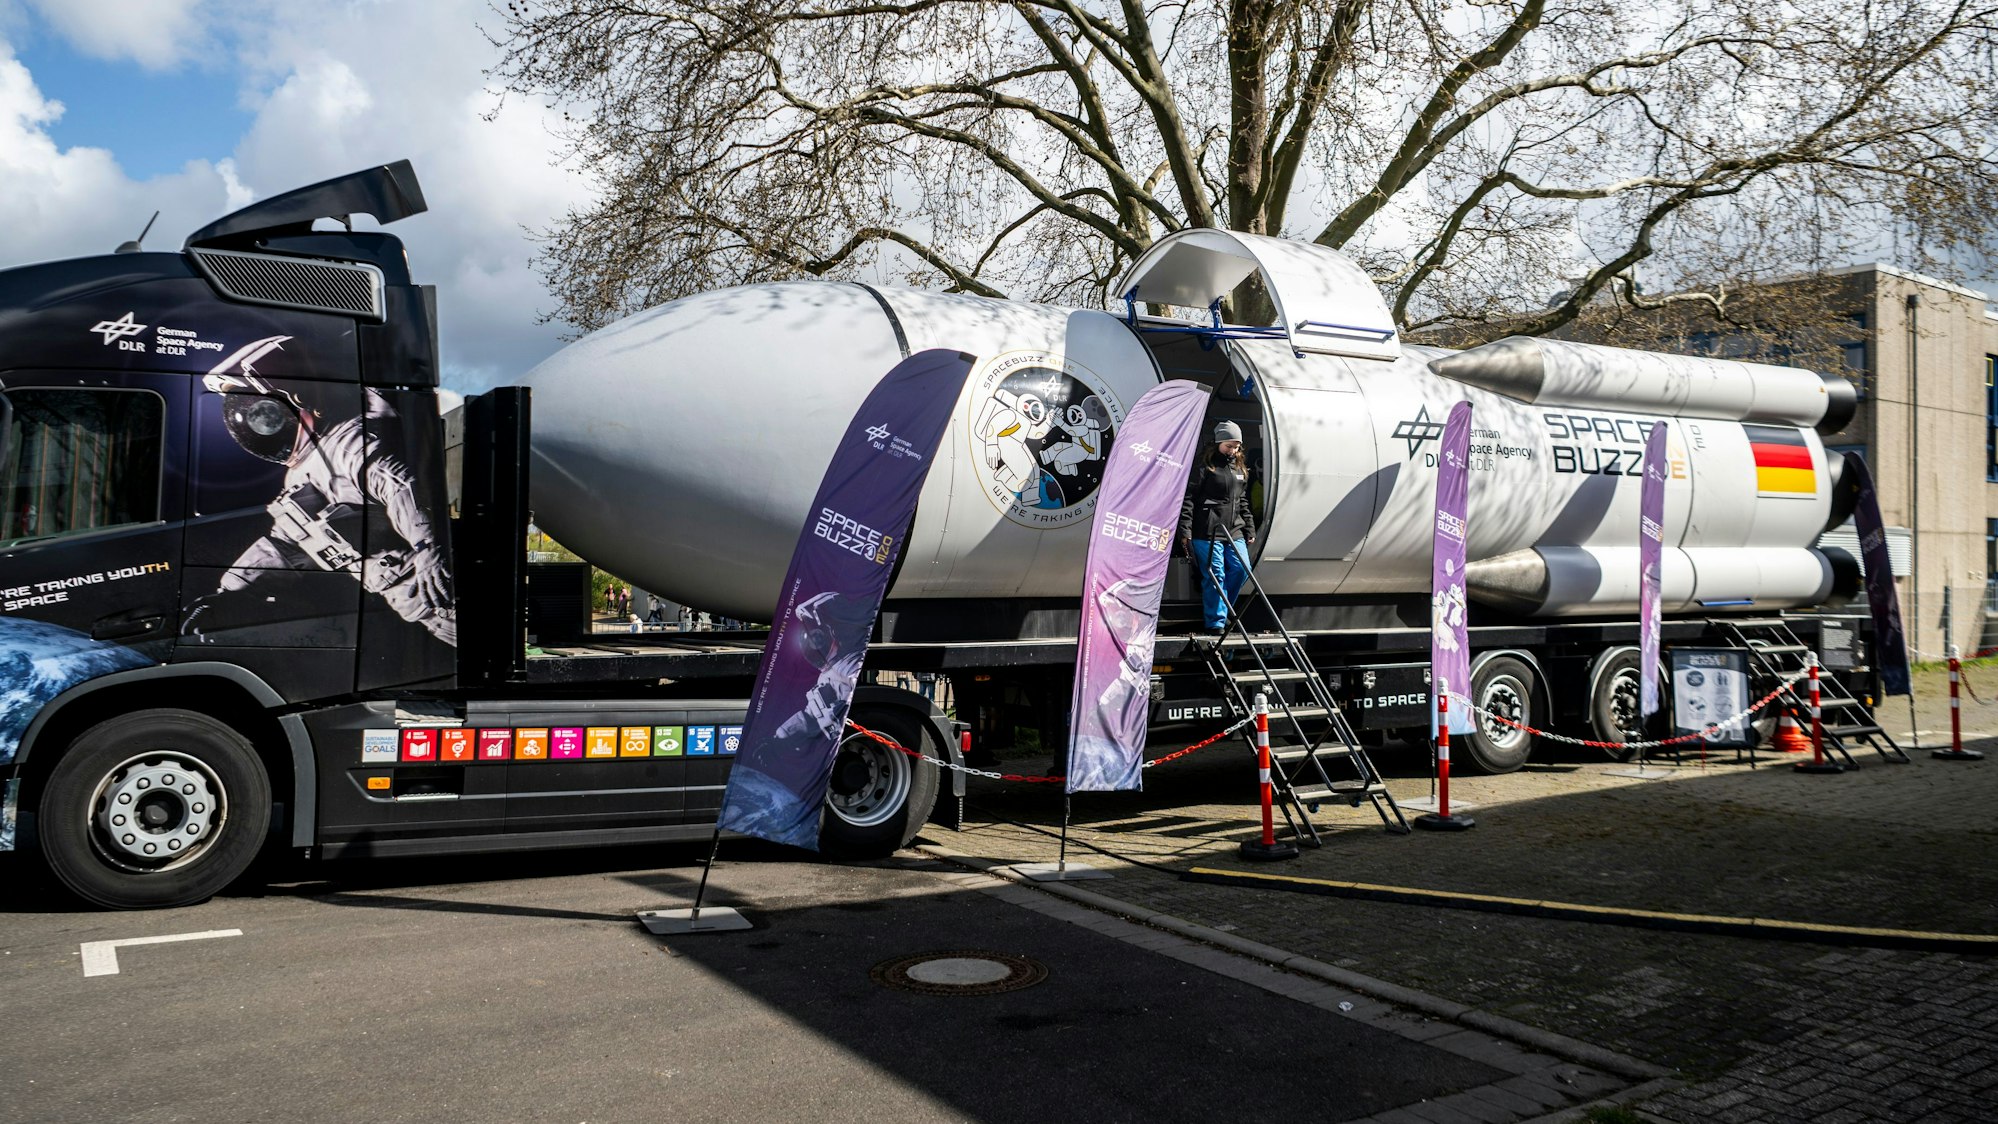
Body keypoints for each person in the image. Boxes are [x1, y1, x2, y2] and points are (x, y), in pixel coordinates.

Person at [1178, 420, 1256, 638]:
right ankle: (1216, 622)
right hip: (1207, 529)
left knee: (1242, 569)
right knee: (1216, 575)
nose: (1232, 451)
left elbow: (1243, 501)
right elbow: (1188, 499)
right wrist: (1185, 531)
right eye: (1228, 446)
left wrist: (1249, 527)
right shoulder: (1205, 465)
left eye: (1236, 446)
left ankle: (1225, 609)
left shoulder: (1239, 467)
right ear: (1218, 442)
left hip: (1234, 529)